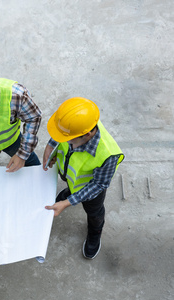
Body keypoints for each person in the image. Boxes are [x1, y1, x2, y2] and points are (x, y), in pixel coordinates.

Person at [43, 97, 124, 259]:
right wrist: (50, 147)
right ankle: (70, 192)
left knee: (94, 212)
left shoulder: (108, 155)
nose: (64, 140)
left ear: (87, 135)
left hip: (91, 191)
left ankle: (95, 233)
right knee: (71, 186)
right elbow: (60, 134)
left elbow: (99, 184)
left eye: (67, 138)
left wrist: (67, 203)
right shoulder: (74, 123)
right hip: (72, 177)